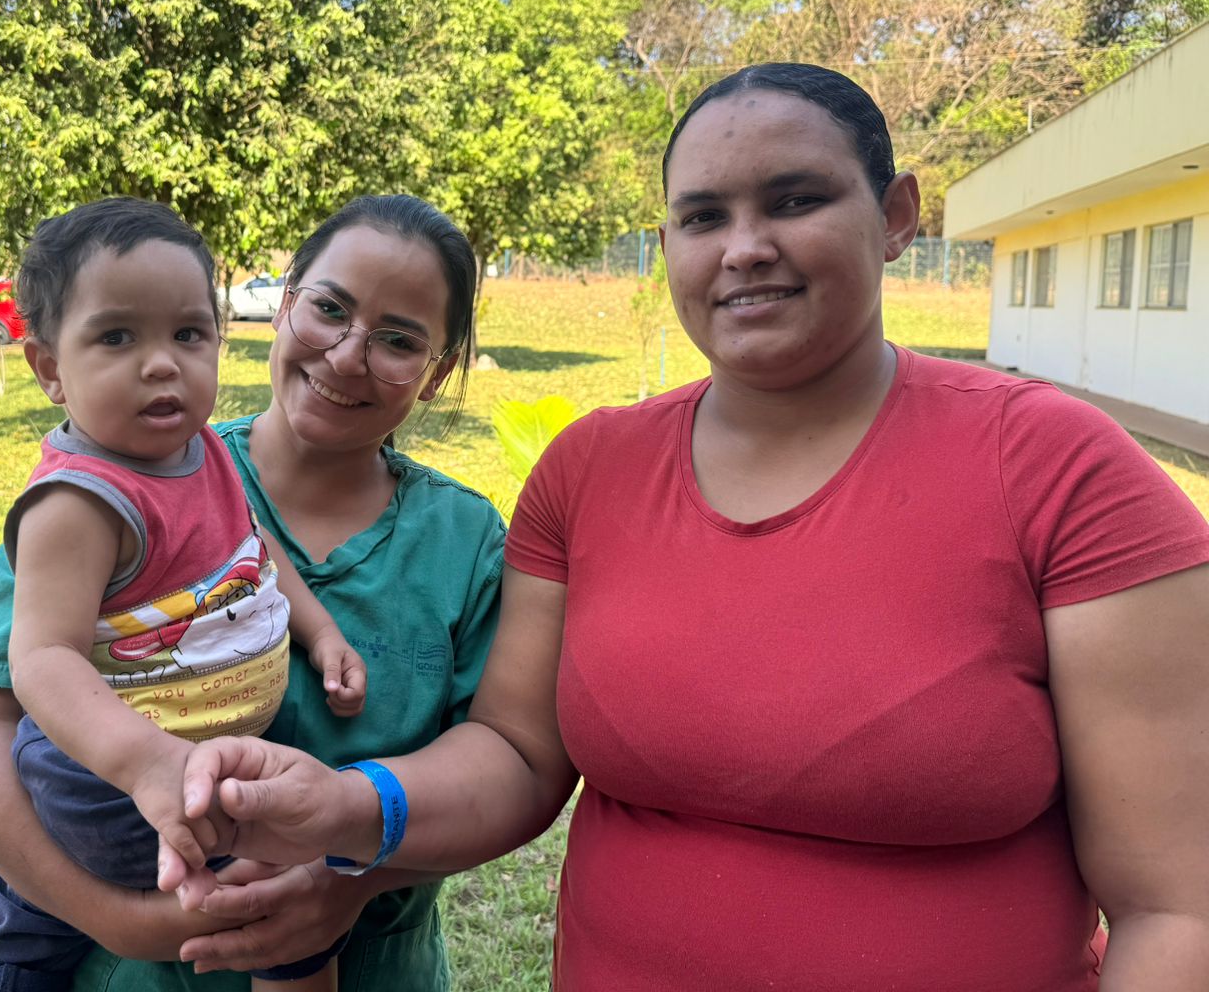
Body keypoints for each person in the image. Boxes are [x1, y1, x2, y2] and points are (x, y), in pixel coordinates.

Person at [170, 64, 1209, 992]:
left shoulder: (1063, 472)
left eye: (795, 201)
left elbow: (1178, 907)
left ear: (895, 215)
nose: (745, 248)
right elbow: (519, 752)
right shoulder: (592, 470)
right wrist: (353, 807)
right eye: (703, 217)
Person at [0, 194, 506, 991]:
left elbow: (511, 768)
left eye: (399, 340)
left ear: (436, 374)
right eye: (328, 308)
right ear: (285, 303)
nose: (344, 355)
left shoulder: (465, 541)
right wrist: (118, 920)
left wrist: (350, 872)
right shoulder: (120, 482)